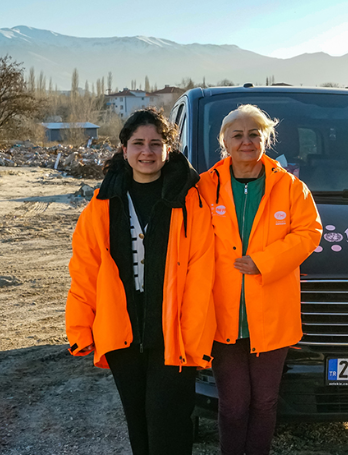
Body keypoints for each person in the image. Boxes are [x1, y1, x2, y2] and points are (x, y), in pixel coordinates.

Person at [65, 108, 216, 455]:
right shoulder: (102, 205)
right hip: (122, 333)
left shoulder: (190, 202)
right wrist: (80, 329)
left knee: (170, 422)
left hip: (174, 334)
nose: (147, 151)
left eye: (155, 143)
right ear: (124, 150)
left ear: (168, 149)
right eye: (138, 143)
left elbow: (201, 272)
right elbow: (85, 271)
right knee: (138, 421)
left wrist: (195, 332)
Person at [198, 104, 322, 455]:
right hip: (222, 316)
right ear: (224, 142)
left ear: (266, 138)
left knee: (265, 403)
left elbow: (310, 232)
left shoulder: (291, 187)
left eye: (255, 134)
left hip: (272, 316)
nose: (247, 141)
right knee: (234, 405)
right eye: (237, 135)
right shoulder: (205, 187)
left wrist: (263, 262)